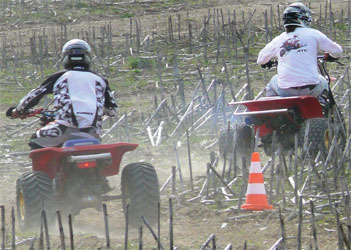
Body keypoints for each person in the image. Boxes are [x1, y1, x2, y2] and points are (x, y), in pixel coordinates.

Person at [6, 39, 118, 149]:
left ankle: (43, 168)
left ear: (65, 58)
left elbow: (34, 96)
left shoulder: (59, 77)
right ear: (88, 57)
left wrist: (18, 111)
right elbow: (112, 111)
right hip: (93, 133)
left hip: (64, 130)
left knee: (35, 140)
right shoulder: (101, 80)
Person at [257, 2, 343, 98]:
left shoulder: (279, 39)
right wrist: (331, 56)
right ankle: (322, 107)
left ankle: (273, 108)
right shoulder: (313, 33)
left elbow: (261, 59)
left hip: (286, 91)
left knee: (273, 81)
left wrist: (267, 62)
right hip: (311, 89)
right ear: (304, 18)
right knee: (324, 80)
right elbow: (337, 51)